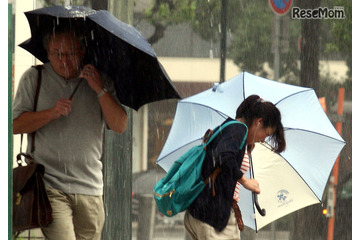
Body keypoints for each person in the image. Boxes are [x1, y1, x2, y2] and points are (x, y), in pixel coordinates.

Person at [13, 26, 127, 240]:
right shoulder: (34, 78)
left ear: (82, 51)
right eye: (57, 53)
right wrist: (51, 113)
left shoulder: (99, 79)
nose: (64, 60)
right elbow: (14, 125)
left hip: (91, 187)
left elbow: (120, 125)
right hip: (50, 185)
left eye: (71, 53)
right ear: (47, 53)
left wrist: (99, 89)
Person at [184, 95, 286, 240]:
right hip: (213, 215)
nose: (263, 139)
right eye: (267, 133)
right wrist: (245, 181)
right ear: (259, 122)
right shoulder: (238, 129)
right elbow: (223, 156)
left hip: (203, 212)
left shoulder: (230, 129)